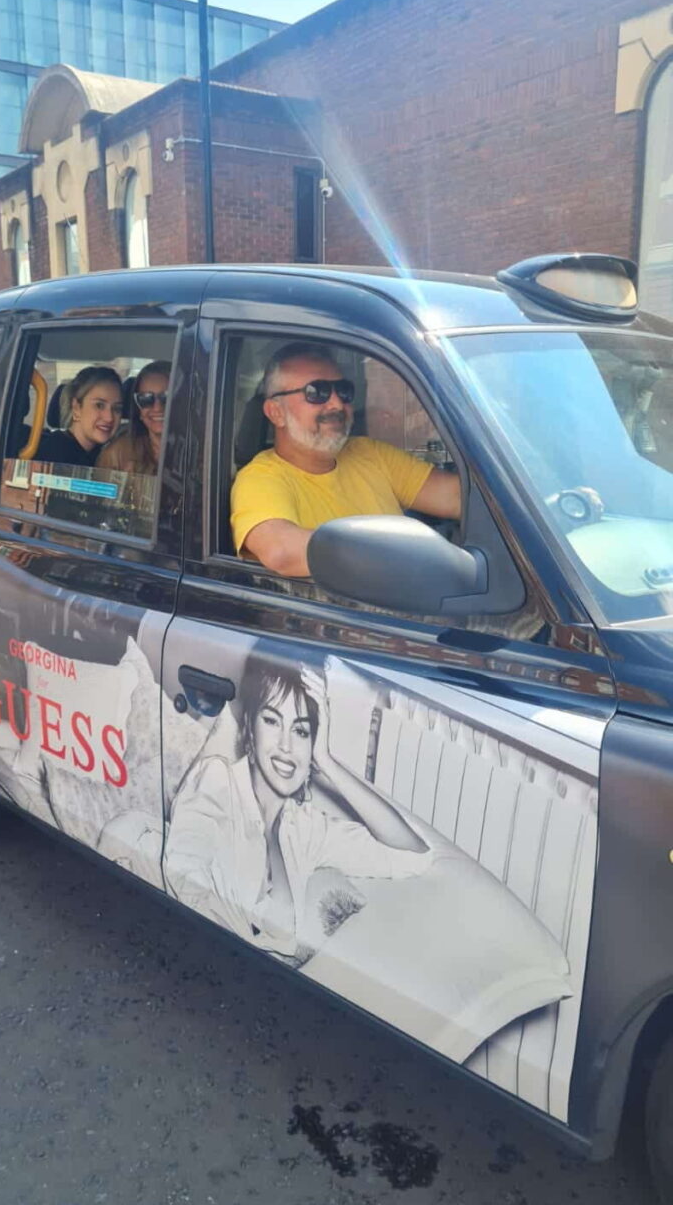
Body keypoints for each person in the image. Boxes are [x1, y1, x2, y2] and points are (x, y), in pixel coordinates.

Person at [164, 649, 436, 967]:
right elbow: (185, 885)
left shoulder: (305, 829)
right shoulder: (216, 781)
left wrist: (327, 761)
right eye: (272, 721)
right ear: (249, 730)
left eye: (301, 730)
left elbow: (412, 855)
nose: (286, 746)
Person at [230, 342, 462, 576]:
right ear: (275, 412)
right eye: (316, 392)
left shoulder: (369, 453)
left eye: (343, 391)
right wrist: (405, 558)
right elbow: (282, 552)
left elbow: (456, 498)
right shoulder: (260, 479)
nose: (337, 404)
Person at [35, 366, 123, 466]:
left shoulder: (104, 456)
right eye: (99, 405)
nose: (109, 418)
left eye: (117, 409)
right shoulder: (55, 455)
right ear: (76, 408)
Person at [97, 360, 171, 473]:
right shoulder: (118, 454)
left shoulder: (204, 454)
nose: (157, 408)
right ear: (138, 409)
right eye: (145, 399)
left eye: (166, 398)